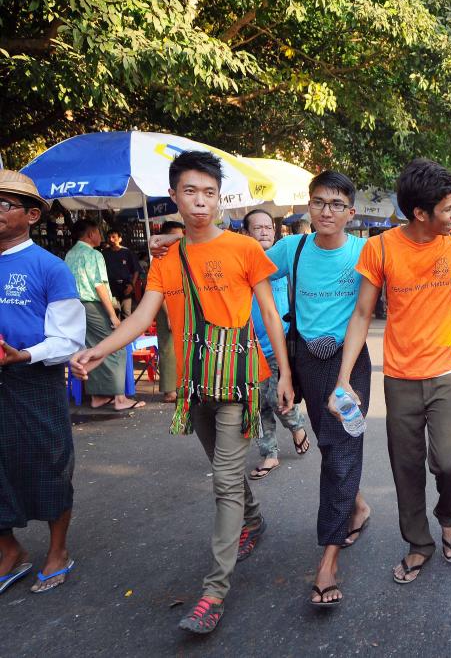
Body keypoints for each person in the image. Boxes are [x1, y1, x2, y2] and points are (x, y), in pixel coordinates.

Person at [71, 150, 295, 634]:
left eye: (209, 193)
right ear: (173, 196)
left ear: (219, 198)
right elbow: (139, 318)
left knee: (223, 481)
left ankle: (213, 592)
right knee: (224, 470)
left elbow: (270, 314)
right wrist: (97, 350)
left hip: (237, 381)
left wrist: (286, 376)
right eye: (190, 192)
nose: (200, 202)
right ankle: (253, 521)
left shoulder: (243, 250)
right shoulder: (168, 260)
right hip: (194, 387)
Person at [331, 158, 451, 585]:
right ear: (420, 213)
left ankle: (448, 516)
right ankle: (419, 542)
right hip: (398, 377)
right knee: (406, 466)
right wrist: (343, 378)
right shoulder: (380, 249)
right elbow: (361, 314)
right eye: (448, 209)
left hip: (448, 372)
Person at [265, 172, 373, 605]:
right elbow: (243, 266)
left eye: (336, 203)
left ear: (351, 212)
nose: (326, 211)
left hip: (349, 361)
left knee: (341, 452)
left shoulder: (366, 251)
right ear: (308, 207)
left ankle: (328, 561)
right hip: (306, 358)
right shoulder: (292, 248)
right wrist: (176, 246)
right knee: (333, 449)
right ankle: (358, 506)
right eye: (319, 202)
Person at [0, 170, 85, 595]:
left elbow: (68, 337)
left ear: (31, 215)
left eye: (4, 204)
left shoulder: (49, 268)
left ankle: (57, 551)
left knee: (50, 465)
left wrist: (25, 354)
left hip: (34, 380)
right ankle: (9, 550)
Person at [240, 209, 310, 481]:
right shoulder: (241, 264)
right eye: (257, 228)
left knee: (275, 397)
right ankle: (269, 453)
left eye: (268, 227)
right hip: (248, 350)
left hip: (279, 348)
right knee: (255, 406)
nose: (265, 231)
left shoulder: (282, 265)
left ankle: (297, 426)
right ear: (245, 233)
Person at [64, 219, 144, 411]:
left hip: (75, 307)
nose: (101, 236)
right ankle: (119, 398)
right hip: (94, 305)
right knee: (115, 346)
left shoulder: (70, 254)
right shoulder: (94, 254)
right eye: (99, 232)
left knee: (92, 348)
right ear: (91, 234)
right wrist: (112, 315)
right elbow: (99, 285)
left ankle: (98, 396)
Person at [155, 221, 185, 403]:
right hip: (167, 307)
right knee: (168, 349)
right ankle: (169, 390)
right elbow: (162, 293)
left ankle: (180, 386)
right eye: (175, 236)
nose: (179, 239)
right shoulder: (161, 259)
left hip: (182, 307)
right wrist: (168, 315)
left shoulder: (181, 255)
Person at [101, 229, 141, 316]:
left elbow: (136, 270)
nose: (111, 239)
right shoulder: (104, 254)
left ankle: (127, 330)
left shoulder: (127, 252)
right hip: (111, 287)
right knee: (114, 312)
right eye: (108, 237)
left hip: (126, 286)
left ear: (120, 239)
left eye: (113, 237)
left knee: (126, 313)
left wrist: (132, 285)